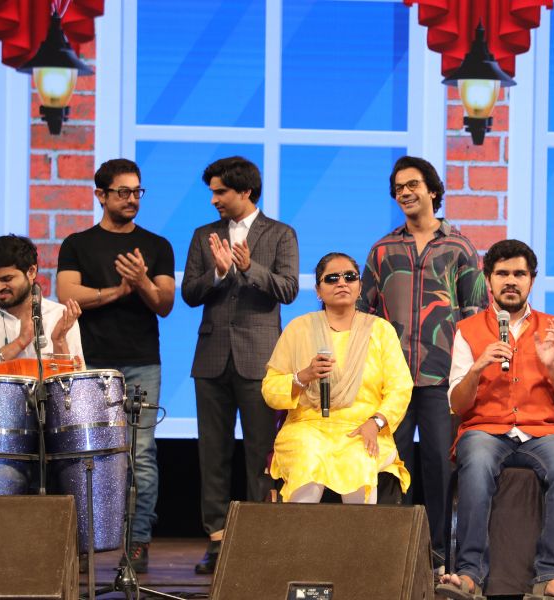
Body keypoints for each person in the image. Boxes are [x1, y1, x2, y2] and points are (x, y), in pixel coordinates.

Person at [437, 240, 554, 600]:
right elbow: (457, 404)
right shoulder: (468, 330)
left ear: (531, 280)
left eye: (519, 274)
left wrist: (552, 367)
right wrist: (477, 368)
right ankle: (470, 574)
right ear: (488, 279)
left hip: (540, 432)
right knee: (477, 462)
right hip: (485, 430)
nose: (511, 281)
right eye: (502, 273)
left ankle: (549, 575)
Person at [359, 156, 487, 567]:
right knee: (390, 466)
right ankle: (391, 557)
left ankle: (436, 557)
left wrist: (469, 374)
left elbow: (477, 314)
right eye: (398, 188)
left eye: (412, 185)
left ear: (432, 190)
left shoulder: (459, 247)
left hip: (441, 378)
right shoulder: (382, 249)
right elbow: (363, 313)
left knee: (439, 469)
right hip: (391, 382)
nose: (405, 193)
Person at [57, 158, 176, 573]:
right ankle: (84, 543)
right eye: (122, 192)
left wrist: (141, 281)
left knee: (140, 454)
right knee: (85, 453)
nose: (131, 199)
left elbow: (164, 303)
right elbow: (67, 294)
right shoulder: (78, 243)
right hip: (89, 364)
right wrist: (118, 290)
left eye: (137, 192)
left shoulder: (157, 246)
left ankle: (137, 541)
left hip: (142, 362)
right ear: (101, 195)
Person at [182, 156, 299, 574]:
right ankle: (216, 538)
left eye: (220, 192)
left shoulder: (281, 234)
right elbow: (189, 293)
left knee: (261, 453)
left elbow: (288, 289)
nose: (214, 200)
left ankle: (256, 538)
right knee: (212, 454)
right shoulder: (204, 235)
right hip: (211, 358)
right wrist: (216, 274)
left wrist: (249, 268)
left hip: (260, 359)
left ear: (245, 191)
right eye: (212, 192)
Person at [262, 252, 413, 503]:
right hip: (308, 427)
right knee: (308, 457)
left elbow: (400, 388)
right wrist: (303, 377)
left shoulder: (380, 331)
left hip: (363, 427)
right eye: (332, 278)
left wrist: (375, 422)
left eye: (349, 277)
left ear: (360, 287)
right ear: (318, 291)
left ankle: (359, 532)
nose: (342, 283)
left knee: (358, 459)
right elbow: (270, 389)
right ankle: (299, 530)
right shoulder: (298, 329)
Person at [0, 234, 82, 368]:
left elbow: (76, 379)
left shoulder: (60, 315)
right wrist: (20, 343)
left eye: (7, 279)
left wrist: (59, 341)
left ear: (31, 272)